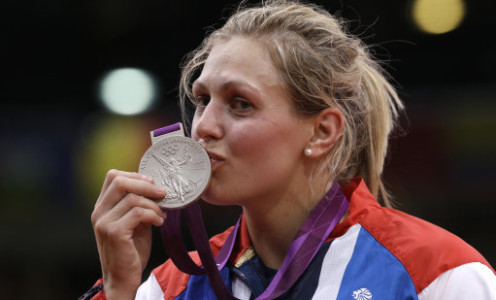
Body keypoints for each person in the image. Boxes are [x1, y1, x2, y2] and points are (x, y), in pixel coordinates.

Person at [81, 1, 496, 299]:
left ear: (321, 133)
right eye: (202, 100)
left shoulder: (439, 277)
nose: (203, 126)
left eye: (240, 104)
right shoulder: (169, 288)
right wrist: (118, 290)